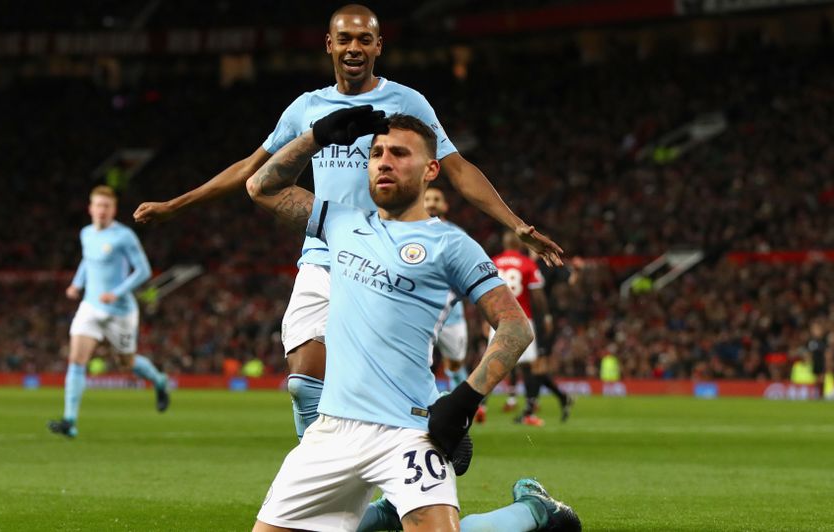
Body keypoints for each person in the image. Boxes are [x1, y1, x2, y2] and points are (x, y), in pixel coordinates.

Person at [133, 4, 563, 442]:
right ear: (329, 45)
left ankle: (407, 473)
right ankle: (322, 473)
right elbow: (252, 169)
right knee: (304, 382)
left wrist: (517, 224)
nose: (353, 47)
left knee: (380, 393)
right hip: (324, 251)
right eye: (345, 39)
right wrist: (175, 205)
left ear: (378, 46)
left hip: (387, 260)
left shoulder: (406, 102)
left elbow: (457, 168)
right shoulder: (307, 109)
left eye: (363, 39)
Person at [246, 110, 579, 532]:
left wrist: (462, 402)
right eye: (377, 152)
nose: (384, 161)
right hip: (331, 433)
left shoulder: (452, 245)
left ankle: (534, 512)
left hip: (408, 432)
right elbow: (260, 186)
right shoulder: (341, 222)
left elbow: (515, 326)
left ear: (431, 169)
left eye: (400, 153)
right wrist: (313, 137)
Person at [48, 186, 168, 438]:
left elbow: (144, 271)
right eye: (98, 205)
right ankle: (70, 421)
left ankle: (158, 380)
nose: (102, 210)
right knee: (76, 360)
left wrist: (117, 292)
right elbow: (87, 260)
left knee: (127, 363)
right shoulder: (86, 234)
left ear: (113, 210)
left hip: (120, 311)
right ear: (90, 208)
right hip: (90, 306)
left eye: (107, 206)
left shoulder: (124, 237)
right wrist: (76, 284)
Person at [491, 230, 573, 425]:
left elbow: (566, 278)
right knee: (532, 367)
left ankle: (531, 408)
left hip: (540, 319)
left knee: (535, 366)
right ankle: (558, 399)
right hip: (531, 319)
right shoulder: (527, 264)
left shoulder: (545, 265)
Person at [424, 186, 470, 390]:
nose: (432, 203)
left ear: (445, 205)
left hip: (451, 314)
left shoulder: (456, 235)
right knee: (417, 362)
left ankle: (463, 400)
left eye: (437, 198)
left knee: (455, 364)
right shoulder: (407, 230)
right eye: (427, 198)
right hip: (420, 312)